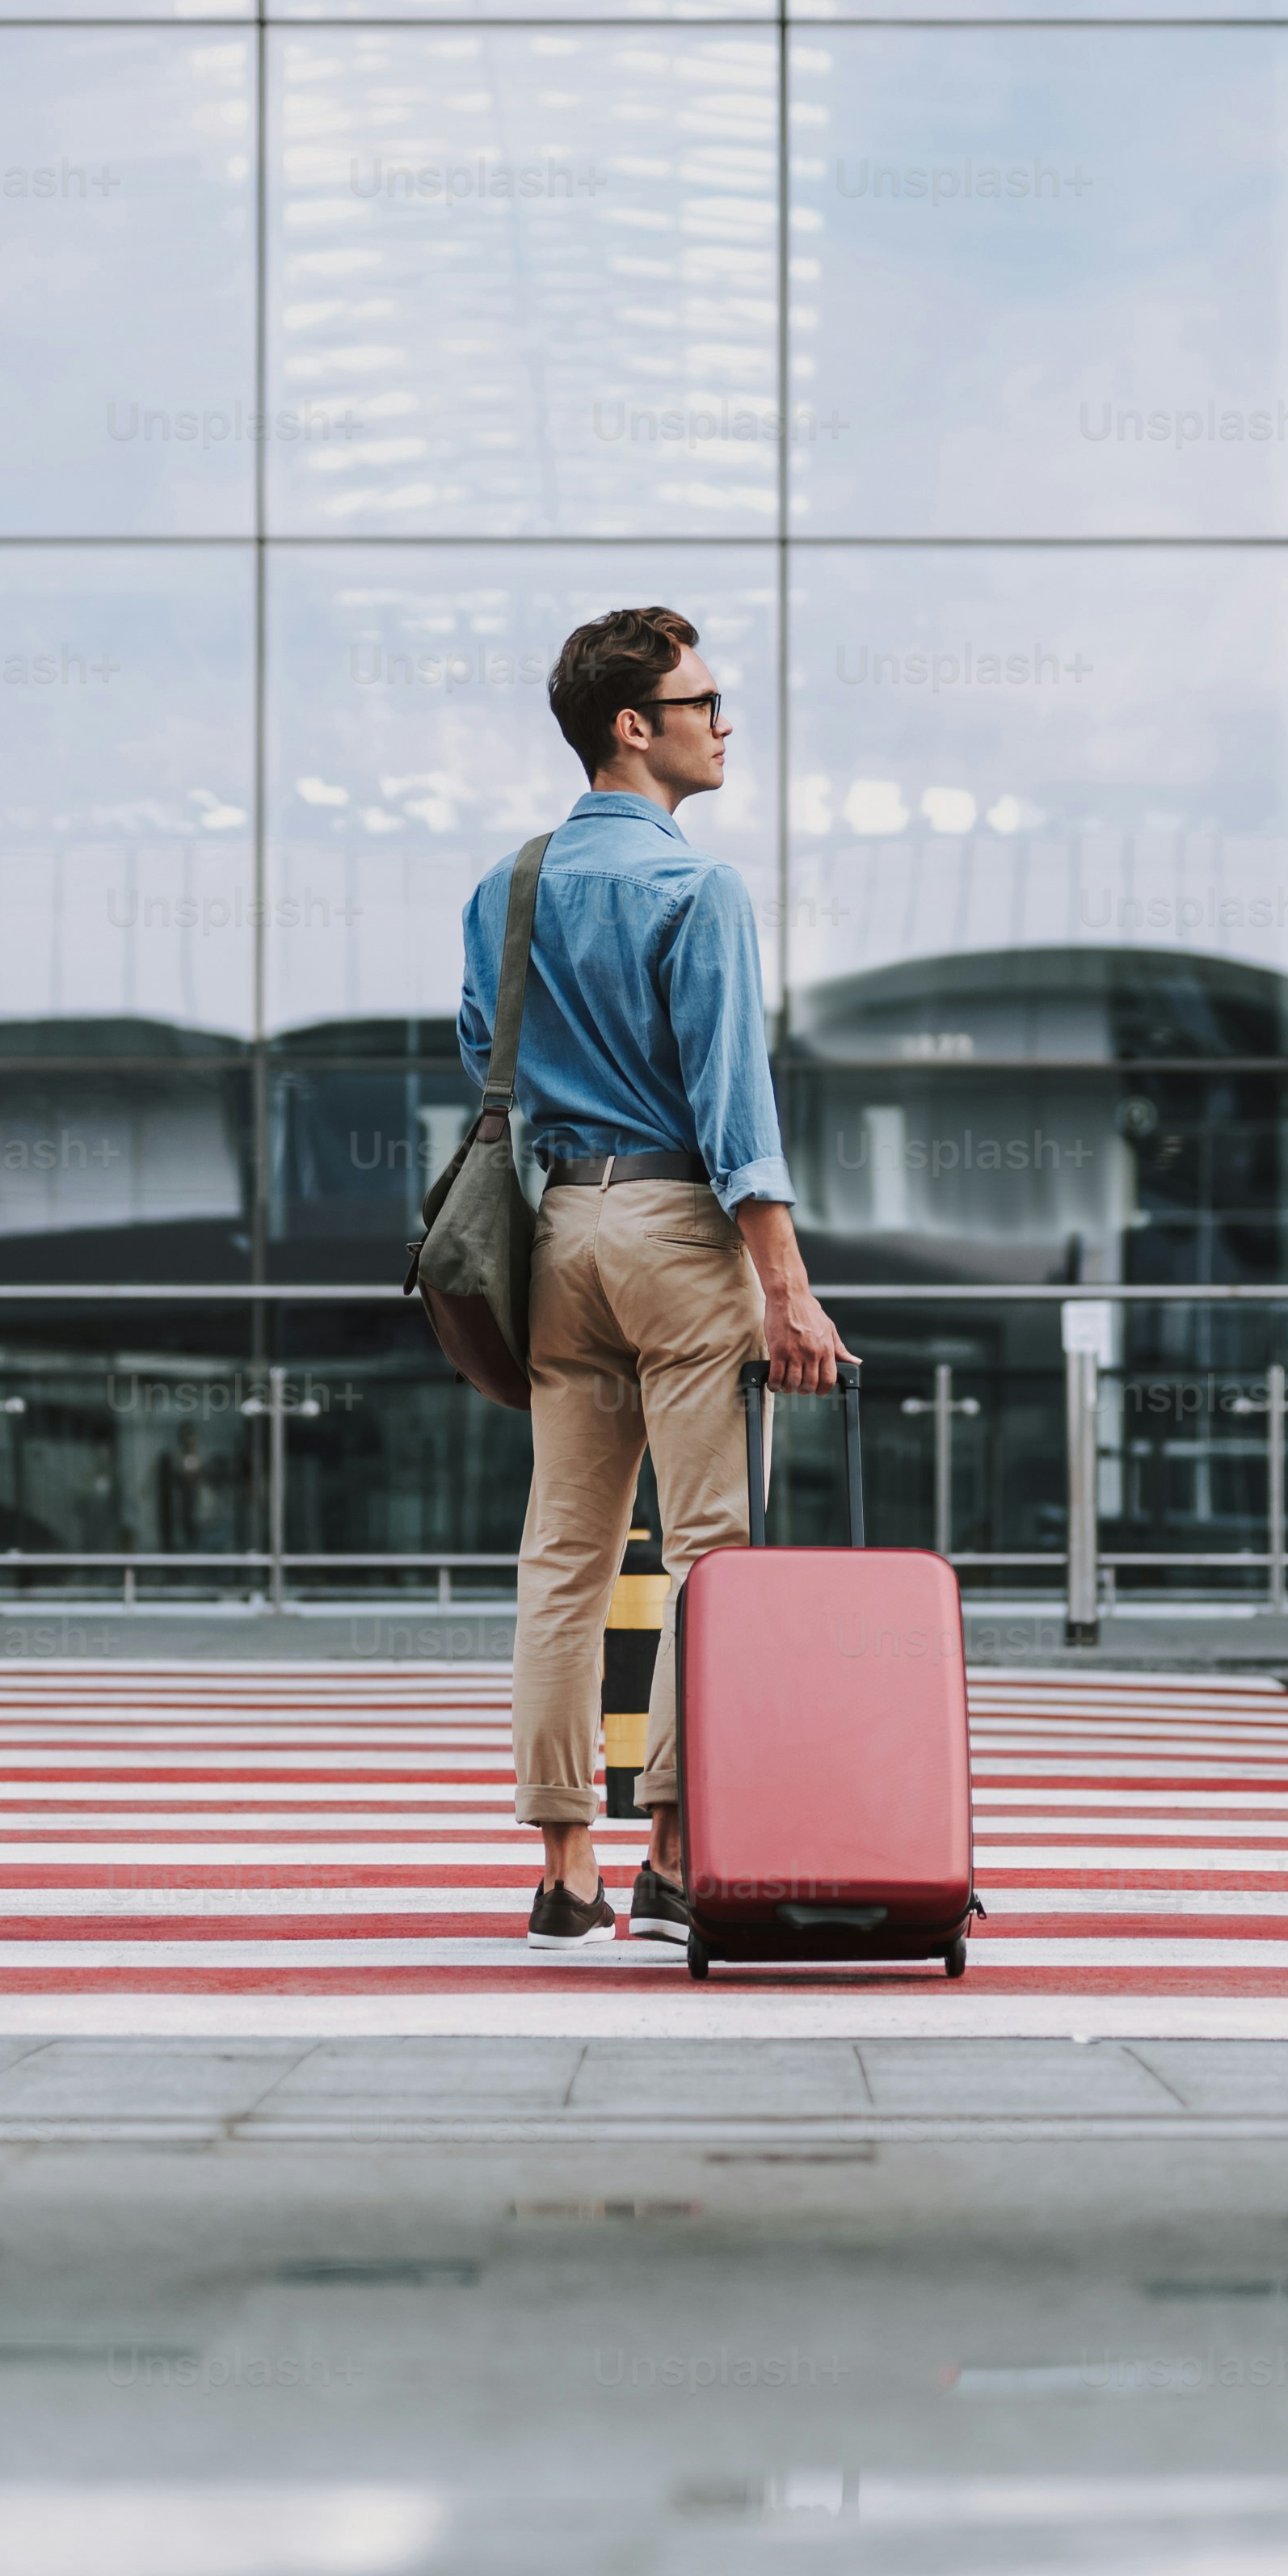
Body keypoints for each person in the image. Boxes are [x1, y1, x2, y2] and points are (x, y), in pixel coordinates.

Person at [458, 605, 851, 1954]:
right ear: (636, 726)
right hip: (680, 1226)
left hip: (558, 1230)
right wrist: (787, 1286)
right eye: (705, 699)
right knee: (707, 1556)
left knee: (563, 1556)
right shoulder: (699, 889)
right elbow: (737, 1111)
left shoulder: (507, 885)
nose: (723, 721)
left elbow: (480, 1062)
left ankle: (566, 1871)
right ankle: (675, 1851)